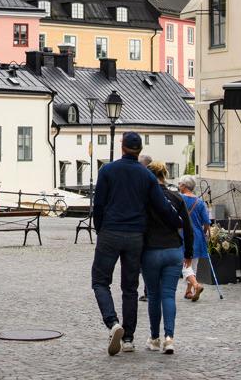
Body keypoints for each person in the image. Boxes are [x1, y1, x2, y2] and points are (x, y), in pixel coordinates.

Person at [91, 132, 180, 356]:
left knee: (100, 282)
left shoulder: (107, 170)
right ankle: (128, 339)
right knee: (130, 288)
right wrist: (178, 222)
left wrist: (100, 228)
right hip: (135, 236)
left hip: (110, 231)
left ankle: (113, 323)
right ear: (140, 150)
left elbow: (98, 204)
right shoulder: (147, 175)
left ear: (122, 147)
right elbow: (161, 206)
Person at [143, 161, 193, 354]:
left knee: (154, 295)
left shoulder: (145, 199)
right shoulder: (176, 197)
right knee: (168, 295)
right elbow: (187, 227)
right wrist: (188, 253)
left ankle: (154, 338)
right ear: (164, 175)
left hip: (151, 251)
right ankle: (169, 338)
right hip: (173, 250)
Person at [177, 176, 210, 301]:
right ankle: (188, 291)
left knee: (185, 264)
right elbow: (206, 222)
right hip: (197, 235)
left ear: (185, 186)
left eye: (180, 184)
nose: (179, 186)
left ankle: (196, 285)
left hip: (182, 234)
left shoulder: (179, 199)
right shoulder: (200, 202)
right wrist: (204, 233)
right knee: (193, 264)